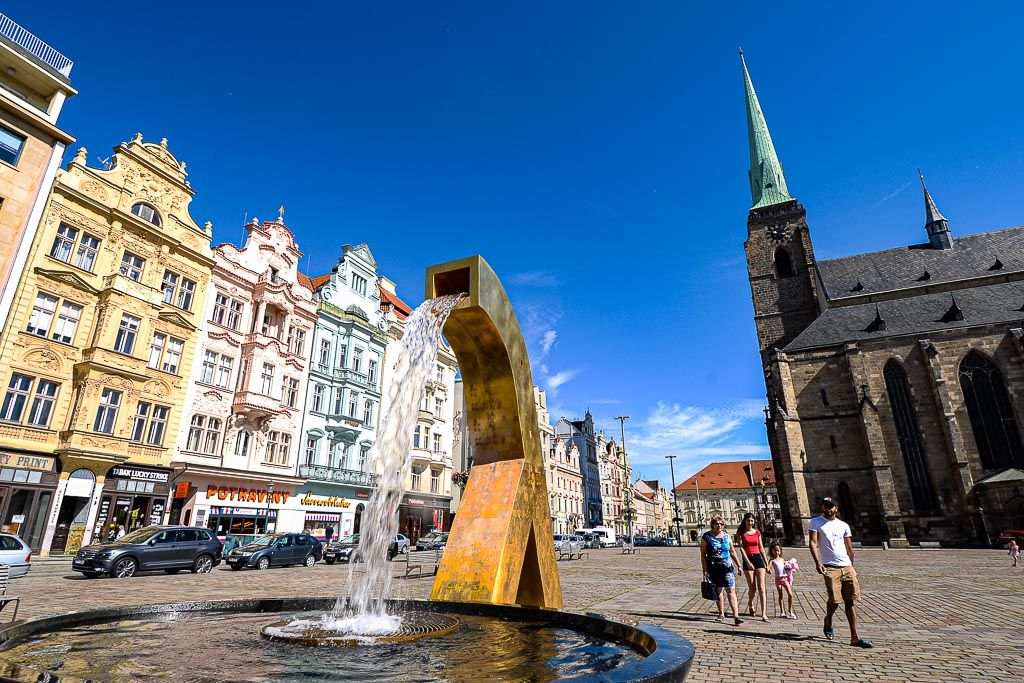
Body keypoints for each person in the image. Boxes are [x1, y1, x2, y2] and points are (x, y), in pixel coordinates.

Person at [808, 496, 872, 648]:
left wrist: (851, 565)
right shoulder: (816, 522)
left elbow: (849, 547)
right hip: (830, 567)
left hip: (847, 566)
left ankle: (854, 637)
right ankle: (828, 619)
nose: (828, 509)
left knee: (850, 601)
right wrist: (818, 562)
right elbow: (813, 542)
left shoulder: (844, 525)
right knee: (835, 600)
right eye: (825, 506)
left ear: (836, 508)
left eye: (831, 506)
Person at [700, 514, 744, 626]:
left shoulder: (727, 536)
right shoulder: (706, 537)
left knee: (731, 590)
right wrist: (705, 569)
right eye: (717, 524)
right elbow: (703, 554)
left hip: (727, 567)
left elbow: (732, 551)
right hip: (714, 567)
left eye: (721, 524)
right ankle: (721, 613)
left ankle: (736, 616)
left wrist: (739, 565)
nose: (719, 526)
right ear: (712, 525)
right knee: (718, 590)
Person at [736, 512, 769, 622]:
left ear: (754, 521)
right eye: (748, 520)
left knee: (761, 587)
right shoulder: (741, 533)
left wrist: (766, 564)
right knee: (752, 588)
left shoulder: (757, 532)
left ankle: (764, 613)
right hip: (748, 559)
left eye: (752, 521)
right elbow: (741, 548)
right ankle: (750, 603)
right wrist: (747, 562)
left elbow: (761, 548)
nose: (750, 522)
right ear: (745, 521)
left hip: (758, 558)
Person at [768, 541, 797, 619]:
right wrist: (768, 570)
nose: (777, 552)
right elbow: (768, 568)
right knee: (780, 595)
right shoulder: (772, 560)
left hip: (785, 579)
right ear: (772, 551)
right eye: (775, 550)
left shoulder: (782, 559)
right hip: (778, 579)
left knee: (790, 595)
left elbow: (786, 568)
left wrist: (789, 567)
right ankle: (782, 612)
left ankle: (790, 611)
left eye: (778, 550)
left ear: (780, 551)